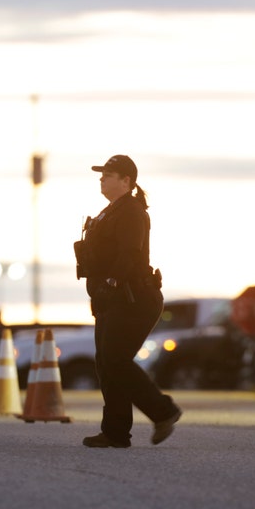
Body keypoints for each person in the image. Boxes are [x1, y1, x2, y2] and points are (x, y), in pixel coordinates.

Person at [74, 154, 181, 448]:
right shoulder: (111, 211)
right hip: (112, 299)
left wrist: (112, 282)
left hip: (135, 299)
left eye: (109, 174)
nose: (102, 178)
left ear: (126, 181)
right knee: (106, 364)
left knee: (116, 361)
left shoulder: (132, 211)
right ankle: (116, 432)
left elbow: (130, 253)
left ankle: (163, 411)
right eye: (102, 174)